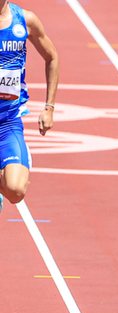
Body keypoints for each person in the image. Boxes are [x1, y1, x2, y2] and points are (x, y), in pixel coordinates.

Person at [0, 0, 58, 213]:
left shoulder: (26, 20)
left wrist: (49, 108)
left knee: (16, 192)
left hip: (7, 122)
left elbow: (52, 57)